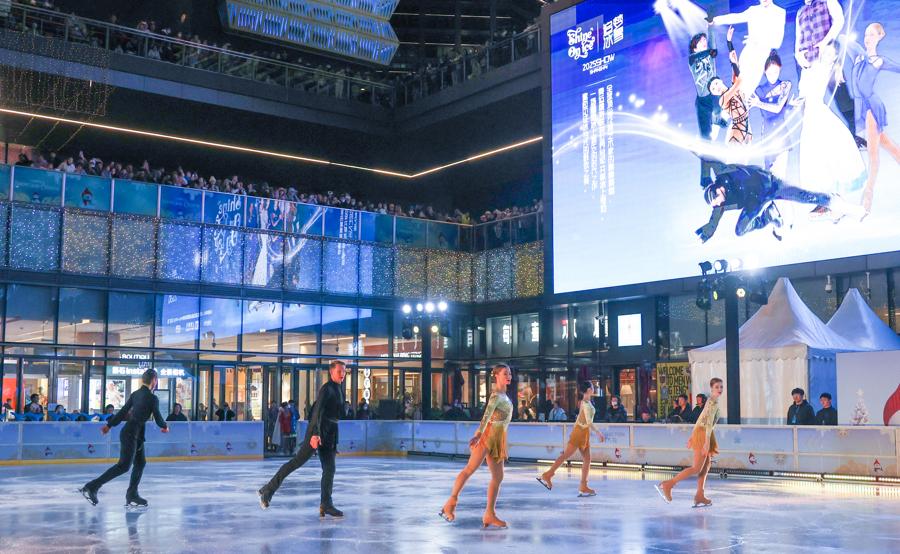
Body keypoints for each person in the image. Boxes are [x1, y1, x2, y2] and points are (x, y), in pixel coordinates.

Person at [258, 360, 346, 517]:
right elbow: (316, 412)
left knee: (329, 469)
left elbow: (334, 418)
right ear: (331, 372)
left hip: (329, 435)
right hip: (317, 432)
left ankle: (326, 504)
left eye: (344, 371)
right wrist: (315, 434)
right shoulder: (327, 389)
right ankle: (268, 489)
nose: (343, 374)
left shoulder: (338, 389)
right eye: (339, 371)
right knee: (296, 462)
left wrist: (334, 442)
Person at [696, 162, 864, 243]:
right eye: (717, 203)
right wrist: (710, 229)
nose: (720, 202)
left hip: (770, 184)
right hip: (755, 201)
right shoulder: (721, 204)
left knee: (806, 196)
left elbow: (707, 159)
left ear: (716, 189)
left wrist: (704, 176)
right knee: (740, 231)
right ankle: (769, 216)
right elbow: (715, 215)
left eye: (717, 198)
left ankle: (836, 203)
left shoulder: (723, 173)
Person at [80, 369, 169, 508]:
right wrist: (165, 426)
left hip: (134, 434)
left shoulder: (135, 394)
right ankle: (92, 486)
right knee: (123, 466)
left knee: (140, 463)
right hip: (131, 435)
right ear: (154, 381)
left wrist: (109, 425)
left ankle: (132, 494)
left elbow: (122, 412)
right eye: (156, 380)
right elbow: (157, 417)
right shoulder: (152, 398)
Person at [440, 363, 513, 529]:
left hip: (498, 439)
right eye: (505, 373)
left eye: (509, 373)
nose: (509, 376)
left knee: (498, 477)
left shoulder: (505, 396)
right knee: (469, 469)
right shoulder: (496, 396)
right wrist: (478, 435)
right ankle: (450, 504)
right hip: (487, 436)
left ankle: (489, 514)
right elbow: (486, 416)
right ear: (496, 376)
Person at [849, 23, 900, 214]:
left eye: (872, 34)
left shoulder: (879, 61)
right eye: (866, 34)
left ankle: (867, 198)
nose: (867, 38)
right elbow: (843, 40)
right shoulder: (858, 55)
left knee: (873, 155)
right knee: (891, 147)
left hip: (872, 108)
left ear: (880, 37)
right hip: (861, 108)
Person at [656, 378, 723, 507]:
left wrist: (693, 436)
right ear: (711, 388)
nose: (719, 389)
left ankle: (700, 495)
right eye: (717, 387)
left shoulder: (711, 401)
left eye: (721, 387)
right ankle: (669, 484)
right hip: (704, 434)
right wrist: (706, 442)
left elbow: (700, 419)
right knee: (696, 468)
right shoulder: (712, 402)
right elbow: (708, 423)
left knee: (706, 466)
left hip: (703, 433)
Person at [537, 381, 606, 496]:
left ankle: (583, 485)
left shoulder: (586, 402)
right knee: (566, 455)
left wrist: (574, 431)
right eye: (592, 387)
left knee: (587, 459)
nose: (594, 388)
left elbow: (579, 418)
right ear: (589, 390)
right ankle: (548, 475)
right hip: (580, 433)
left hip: (582, 432)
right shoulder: (585, 403)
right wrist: (599, 433)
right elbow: (589, 422)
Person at [712, 0, 786, 98]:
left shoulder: (779, 12)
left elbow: (777, 42)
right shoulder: (753, 10)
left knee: (746, 93)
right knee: (738, 89)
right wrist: (715, 20)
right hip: (747, 55)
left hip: (760, 59)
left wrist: (756, 40)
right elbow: (736, 17)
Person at [687, 28, 725, 187]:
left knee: (718, 108)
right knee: (706, 142)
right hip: (702, 103)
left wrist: (710, 26)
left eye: (705, 41)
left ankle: (717, 119)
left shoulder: (710, 55)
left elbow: (712, 46)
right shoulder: (692, 59)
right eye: (701, 42)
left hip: (714, 99)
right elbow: (698, 56)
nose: (704, 43)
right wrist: (709, 51)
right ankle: (705, 177)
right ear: (695, 47)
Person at [751, 51, 793, 175]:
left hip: (782, 130)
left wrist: (759, 103)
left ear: (780, 68)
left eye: (775, 72)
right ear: (764, 72)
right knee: (770, 172)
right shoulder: (759, 91)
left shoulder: (785, 85)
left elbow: (778, 108)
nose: (773, 76)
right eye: (769, 73)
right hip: (768, 132)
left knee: (782, 172)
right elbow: (767, 114)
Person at [708, 27, 752, 145]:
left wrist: (729, 42)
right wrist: (733, 63)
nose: (716, 87)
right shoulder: (722, 100)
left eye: (715, 83)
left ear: (721, 80)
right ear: (714, 94)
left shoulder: (733, 86)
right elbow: (739, 80)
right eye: (713, 89)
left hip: (747, 125)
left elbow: (735, 65)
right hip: (737, 130)